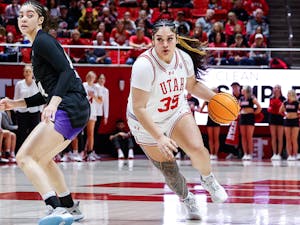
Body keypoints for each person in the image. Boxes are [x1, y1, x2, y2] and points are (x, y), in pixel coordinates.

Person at [127, 20, 228, 221]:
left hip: (175, 112)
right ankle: (187, 198)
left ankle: (208, 180)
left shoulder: (183, 58)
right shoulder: (143, 66)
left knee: (197, 148)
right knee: (169, 167)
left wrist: (214, 99)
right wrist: (159, 137)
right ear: (152, 41)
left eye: (169, 39)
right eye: (159, 39)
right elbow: (139, 108)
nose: (165, 44)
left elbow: (191, 85)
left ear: (176, 39)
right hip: (145, 122)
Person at [0, 1, 90, 224]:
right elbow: (43, 93)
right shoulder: (39, 46)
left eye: (30, 15)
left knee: (24, 156)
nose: (23, 19)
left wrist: (54, 104)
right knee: (44, 159)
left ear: (40, 20)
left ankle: (55, 208)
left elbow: (67, 73)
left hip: (69, 106)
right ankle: (70, 207)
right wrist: (15, 103)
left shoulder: (42, 41)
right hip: (76, 107)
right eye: (21, 15)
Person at [14, 65, 42, 151]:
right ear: (23, 73)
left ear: (32, 73)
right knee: (22, 133)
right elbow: (16, 97)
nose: (28, 73)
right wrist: (16, 110)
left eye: (29, 71)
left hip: (35, 112)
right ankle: (21, 152)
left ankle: (33, 152)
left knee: (34, 133)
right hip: (22, 112)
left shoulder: (37, 83)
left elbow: (41, 98)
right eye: (26, 71)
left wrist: (40, 110)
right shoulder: (19, 84)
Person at [82, 71, 102, 161]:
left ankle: (90, 152)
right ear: (86, 77)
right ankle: (79, 152)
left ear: (95, 78)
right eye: (89, 77)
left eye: (92, 77)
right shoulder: (83, 85)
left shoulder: (97, 87)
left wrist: (93, 96)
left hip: (92, 112)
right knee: (78, 133)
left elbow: (100, 101)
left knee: (90, 133)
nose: (91, 79)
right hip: (82, 111)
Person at [239, 85, 262, 160]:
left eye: (243, 89)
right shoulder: (241, 98)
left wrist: (254, 113)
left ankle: (250, 154)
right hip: (242, 117)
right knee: (243, 136)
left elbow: (259, 107)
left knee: (249, 136)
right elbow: (238, 107)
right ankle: (245, 153)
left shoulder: (252, 98)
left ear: (247, 90)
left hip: (250, 117)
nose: (242, 90)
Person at [199, 87, 221, 160]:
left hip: (217, 120)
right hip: (210, 120)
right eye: (215, 91)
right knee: (211, 138)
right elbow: (201, 110)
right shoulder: (207, 100)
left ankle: (216, 154)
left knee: (216, 138)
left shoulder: (219, 100)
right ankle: (212, 154)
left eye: (216, 91)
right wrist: (208, 112)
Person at [279, 90, 300, 161]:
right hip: (287, 121)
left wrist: (298, 115)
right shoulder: (285, 102)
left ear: (293, 94)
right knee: (288, 139)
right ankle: (290, 155)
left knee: (294, 139)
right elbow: (280, 111)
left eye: (290, 93)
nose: (288, 95)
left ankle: (295, 154)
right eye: (288, 93)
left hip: (295, 121)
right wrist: (285, 115)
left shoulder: (297, 103)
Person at [268, 85, 286, 160]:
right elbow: (269, 107)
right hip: (272, 118)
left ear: (280, 90)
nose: (276, 89)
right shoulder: (271, 98)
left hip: (280, 118)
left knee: (280, 137)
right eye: (275, 88)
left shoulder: (283, 99)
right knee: (274, 137)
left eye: (278, 88)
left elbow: (284, 109)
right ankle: (274, 153)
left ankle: (279, 154)